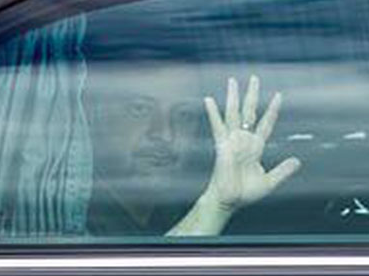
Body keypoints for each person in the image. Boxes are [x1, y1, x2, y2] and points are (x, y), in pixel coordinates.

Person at [84, 65, 301, 237]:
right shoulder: (72, 227)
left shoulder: (170, 211)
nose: (165, 133)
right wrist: (217, 205)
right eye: (139, 109)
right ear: (94, 117)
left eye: (184, 115)